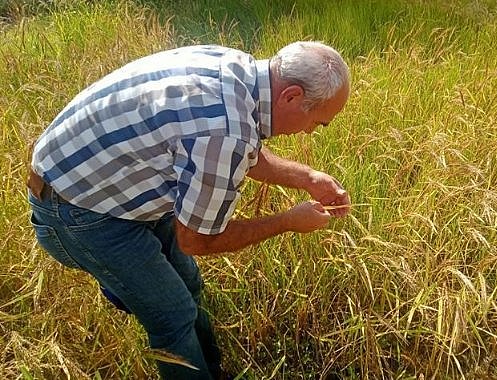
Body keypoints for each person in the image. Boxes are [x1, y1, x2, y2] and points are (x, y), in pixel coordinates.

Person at [27, 41, 351, 379]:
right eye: (318, 122)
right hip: (76, 211)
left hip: (106, 183)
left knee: (187, 282)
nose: (312, 131)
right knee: (172, 315)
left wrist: (309, 178)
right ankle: (126, 288)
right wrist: (287, 221)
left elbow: (240, 146)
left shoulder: (238, 69)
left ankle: (210, 369)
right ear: (291, 97)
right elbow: (197, 240)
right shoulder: (226, 131)